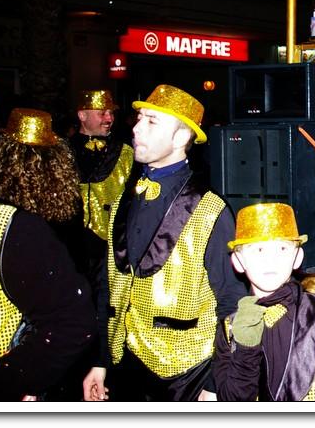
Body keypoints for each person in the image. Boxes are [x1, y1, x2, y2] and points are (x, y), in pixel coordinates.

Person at [82, 84, 247, 402]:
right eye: (139, 118)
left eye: (152, 121)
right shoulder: (122, 201)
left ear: (181, 138)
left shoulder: (212, 210)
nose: (137, 128)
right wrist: (100, 360)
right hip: (123, 365)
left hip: (185, 375)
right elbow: (108, 288)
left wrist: (215, 383)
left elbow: (233, 304)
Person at [0, 108, 97, 401]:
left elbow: (72, 317)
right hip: (48, 358)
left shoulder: (13, 223)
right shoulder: (59, 213)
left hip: (36, 359)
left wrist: (10, 381)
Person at [212, 202, 315, 401]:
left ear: (297, 257)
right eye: (258, 250)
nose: (271, 259)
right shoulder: (230, 327)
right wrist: (245, 348)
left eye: (283, 248)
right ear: (238, 261)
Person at [69, 89, 134, 288]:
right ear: (82, 115)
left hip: (110, 246)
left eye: (111, 113)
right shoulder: (62, 151)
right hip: (71, 244)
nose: (109, 118)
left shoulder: (125, 152)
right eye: (102, 113)